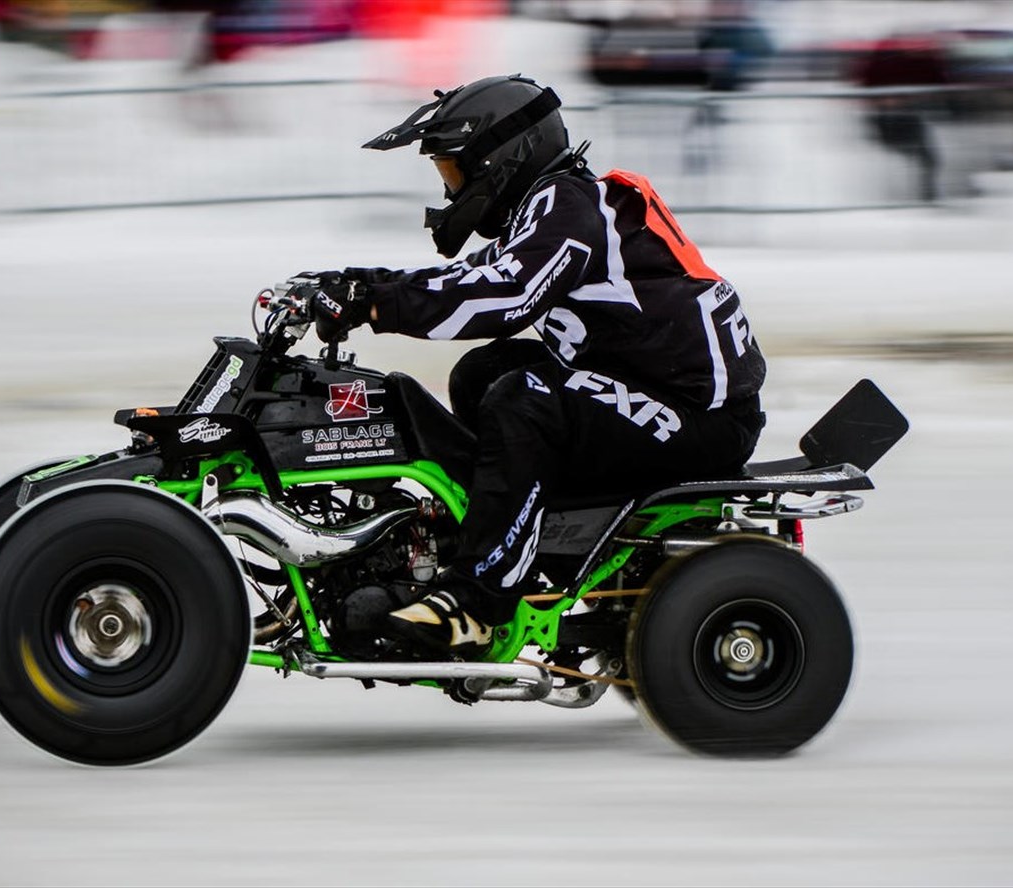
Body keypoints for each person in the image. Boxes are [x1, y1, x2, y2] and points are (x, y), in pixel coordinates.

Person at [297, 74, 766, 658]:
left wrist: (373, 304)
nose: (451, 190)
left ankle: (478, 601)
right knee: (484, 373)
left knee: (524, 395)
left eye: (454, 172)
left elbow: (505, 295)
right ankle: (518, 533)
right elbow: (468, 278)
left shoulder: (565, 207)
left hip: (700, 419)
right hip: (660, 392)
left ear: (503, 157)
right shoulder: (556, 204)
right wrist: (358, 283)